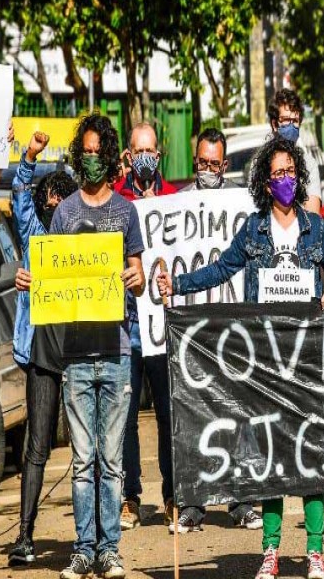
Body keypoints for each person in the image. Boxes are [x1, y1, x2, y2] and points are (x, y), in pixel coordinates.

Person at [157, 136, 324, 579]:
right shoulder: (254, 228)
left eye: (290, 172)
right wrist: (179, 286)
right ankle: (271, 550)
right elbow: (222, 268)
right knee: (274, 458)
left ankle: (314, 551)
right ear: (265, 181)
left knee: (310, 455)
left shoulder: (315, 227)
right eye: (276, 173)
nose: (285, 180)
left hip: (305, 356)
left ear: (299, 176)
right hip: (265, 359)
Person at [16, 114, 147, 579]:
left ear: (109, 156)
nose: (91, 159)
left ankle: (110, 549)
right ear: (78, 155)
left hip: (115, 352)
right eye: (85, 152)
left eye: (98, 152)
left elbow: (140, 278)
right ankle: (83, 548)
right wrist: (29, 279)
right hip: (74, 356)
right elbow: (49, 273)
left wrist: (136, 278)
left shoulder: (127, 213)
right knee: (82, 461)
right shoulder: (65, 213)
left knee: (111, 462)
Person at [172, 127, 261, 533]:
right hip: (194, 328)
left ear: (225, 165)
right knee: (194, 413)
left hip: (233, 324)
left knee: (236, 411)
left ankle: (242, 501)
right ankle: (194, 502)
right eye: (202, 163)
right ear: (196, 163)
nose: (209, 169)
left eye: (215, 163)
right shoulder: (177, 206)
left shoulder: (243, 205)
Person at [7, 131, 78, 566]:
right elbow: (18, 195)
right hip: (40, 351)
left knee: (90, 450)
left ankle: (90, 539)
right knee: (37, 443)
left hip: (82, 351)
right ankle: (24, 535)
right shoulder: (35, 236)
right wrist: (28, 156)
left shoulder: (81, 234)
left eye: (58, 197)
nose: (52, 204)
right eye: (47, 197)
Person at [116, 123, 177, 532]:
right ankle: (131, 496)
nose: (145, 157)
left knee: (169, 411)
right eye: (139, 150)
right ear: (127, 154)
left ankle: (174, 494)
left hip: (161, 325)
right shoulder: (116, 200)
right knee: (126, 417)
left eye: (151, 150)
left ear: (160, 153)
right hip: (127, 322)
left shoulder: (173, 199)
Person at [268, 88, 323, 214]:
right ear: (275, 124)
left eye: (295, 121)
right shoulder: (260, 164)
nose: (291, 126)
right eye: (286, 120)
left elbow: (313, 214)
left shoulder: (309, 164)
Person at [113, 122, 178, 199]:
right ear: (129, 158)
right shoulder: (116, 194)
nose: (144, 156)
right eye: (139, 151)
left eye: (149, 151)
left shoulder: (171, 195)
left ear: (157, 157)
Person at [182, 127, 241, 192]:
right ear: (195, 161)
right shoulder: (182, 198)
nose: (208, 170)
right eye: (203, 162)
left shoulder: (236, 197)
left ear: (224, 166)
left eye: (215, 164)